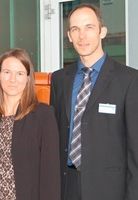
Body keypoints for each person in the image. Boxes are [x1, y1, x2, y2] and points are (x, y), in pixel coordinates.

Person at [50, 3, 138, 200]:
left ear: (102, 32)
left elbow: (136, 151)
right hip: (67, 187)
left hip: (110, 190)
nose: (82, 36)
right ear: (69, 36)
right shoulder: (59, 80)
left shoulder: (129, 80)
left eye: (89, 27)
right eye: (75, 29)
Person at [0, 48, 60, 200]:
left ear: (28, 78)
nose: (12, 79)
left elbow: (50, 176)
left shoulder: (43, 115)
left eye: (19, 73)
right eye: (7, 72)